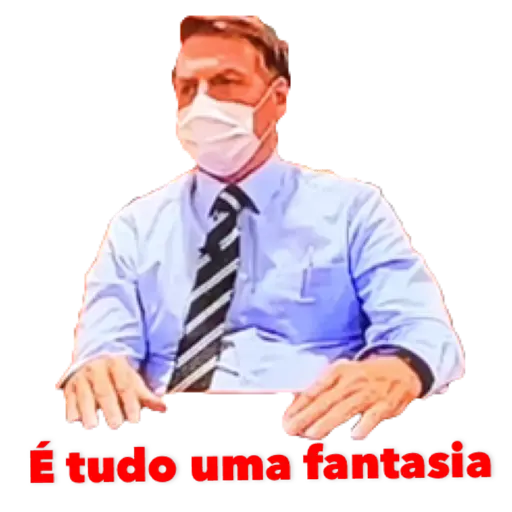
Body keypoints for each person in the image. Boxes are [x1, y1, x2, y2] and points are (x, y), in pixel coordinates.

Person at [57, 14, 464, 440]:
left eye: (225, 82)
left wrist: (403, 365)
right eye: (187, 88)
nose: (202, 103)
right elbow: (103, 345)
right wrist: (94, 369)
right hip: (163, 440)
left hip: (307, 434)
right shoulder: (134, 227)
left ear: (279, 98)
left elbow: (424, 330)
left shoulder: (353, 210)